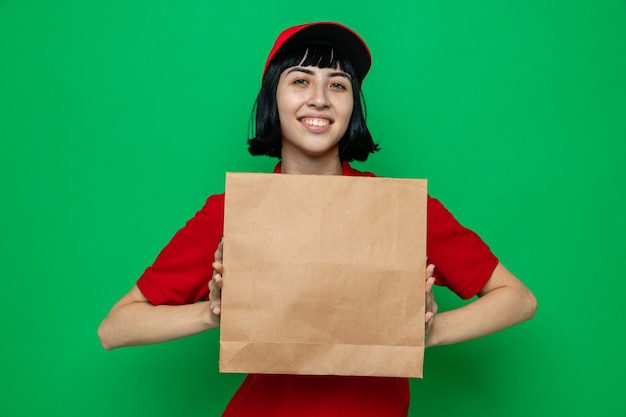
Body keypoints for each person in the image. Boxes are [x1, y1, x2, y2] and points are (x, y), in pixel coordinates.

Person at [98, 22, 537, 417]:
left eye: (338, 85)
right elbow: (116, 327)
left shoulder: (399, 210)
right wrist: (217, 315)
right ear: (274, 96)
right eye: (301, 80)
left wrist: (421, 333)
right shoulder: (235, 210)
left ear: (352, 107)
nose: (320, 99)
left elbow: (517, 298)